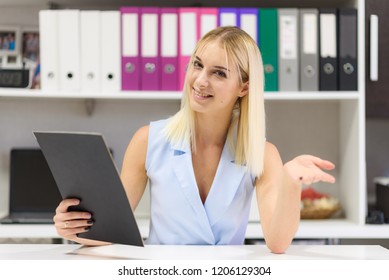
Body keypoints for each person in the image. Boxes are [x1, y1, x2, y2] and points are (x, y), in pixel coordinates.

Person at [53, 26, 335, 253]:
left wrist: (290, 182)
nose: (200, 80)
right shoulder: (148, 140)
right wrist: (75, 229)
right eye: (197, 65)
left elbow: (277, 242)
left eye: (219, 73)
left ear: (244, 87)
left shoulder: (262, 153)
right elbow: (108, 230)